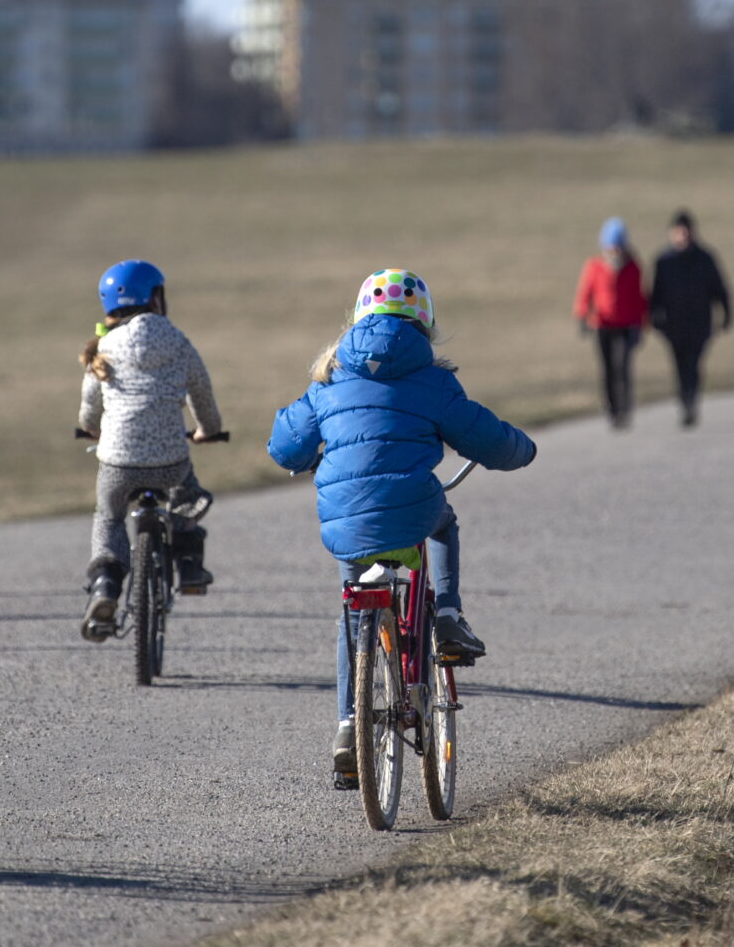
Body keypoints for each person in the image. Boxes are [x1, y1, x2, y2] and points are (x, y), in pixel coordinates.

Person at [268, 269, 536, 780]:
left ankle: (349, 724)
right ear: (424, 321)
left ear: (358, 316)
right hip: (413, 506)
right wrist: (524, 449)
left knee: (353, 613)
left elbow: (285, 444)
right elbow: (489, 438)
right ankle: (449, 615)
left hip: (345, 521)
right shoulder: (433, 380)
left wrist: (304, 453)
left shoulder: (329, 377)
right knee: (442, 522)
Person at [75, 259, 224, 640]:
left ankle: (106, 584)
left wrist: (90, 429)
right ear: (156, 298)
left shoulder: (104, 346)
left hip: (117, 462)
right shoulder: (176, 340)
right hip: (169, 460)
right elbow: (201, 394)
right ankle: (189, 566)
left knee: (108, 518)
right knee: (185, 497)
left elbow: (90, 402)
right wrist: (208, 431)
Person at [648, 210, 732, 428]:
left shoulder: (705, 258)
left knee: (694, 364)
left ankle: (691, 401)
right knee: (679, 365)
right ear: (672, 233)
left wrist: (727, 314)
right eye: (678, 232)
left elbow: (719, 289)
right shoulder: (664, 261)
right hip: (673, 324)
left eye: (686, 232)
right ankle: (685, 402)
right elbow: (655, 294)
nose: (682, 236)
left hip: (699, 323)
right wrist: (653, 318)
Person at [573, 218, 647, 428]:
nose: (614, 251)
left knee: (622, 366)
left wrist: (640, 325)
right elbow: (584, 294)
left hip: (626, 327)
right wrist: (581, 317)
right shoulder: (594, 266)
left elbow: (639, 299)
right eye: (610, 246)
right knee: (607, 369)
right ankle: (612, 408)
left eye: (618, 246)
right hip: (602, 326)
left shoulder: (633, 267)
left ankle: (625, 407)